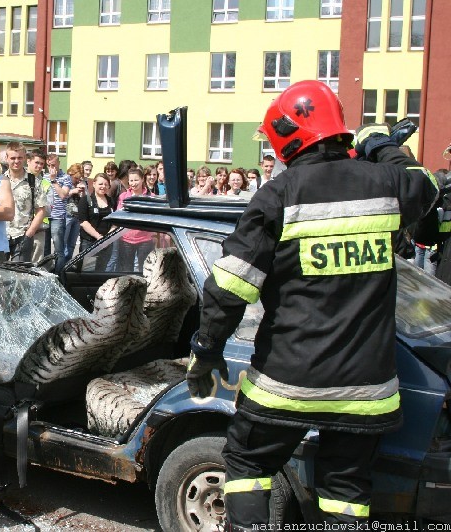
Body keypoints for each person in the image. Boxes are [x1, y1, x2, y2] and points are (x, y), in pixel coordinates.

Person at [186, 80, 438, 529]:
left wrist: (207, 350)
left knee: (247, 463)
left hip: (286, 382)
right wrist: (380, 144)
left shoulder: (279, 194)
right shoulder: (385, 183)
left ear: (288, 136)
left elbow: (229, 287)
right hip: (366, 391)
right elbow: (426, 185)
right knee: (346, 494)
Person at [6, 142, 46, 262]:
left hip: (22, 236)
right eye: (13, 158)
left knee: (19, 272)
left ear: (25, 158)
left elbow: (41, 210)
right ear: (7, 158)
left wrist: (30, 233)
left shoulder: (33, 181)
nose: (16, 161)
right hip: (0, 236)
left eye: (20, 158)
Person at [116, 168, 154, 271]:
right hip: (126, 239)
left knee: (145, 270)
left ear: (142, 179)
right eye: (131, 180)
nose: (133, 183)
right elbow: (119, 215)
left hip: (145, 239)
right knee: (126, 270)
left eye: (136, 180)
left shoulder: (151, 197)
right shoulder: (123, 196)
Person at [77, 173, 115, 270]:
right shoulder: (85, 200)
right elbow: (83, 222)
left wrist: (107, 238)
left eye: (106, 184)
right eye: (100, 184)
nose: (103, 186)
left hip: (106, 243)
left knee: (101, 270)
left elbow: (115, 222)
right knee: (88, 270)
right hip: (89, 241)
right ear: (94, 184)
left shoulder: (111, 201)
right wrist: (98, 237)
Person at [46, 155, 73, 274]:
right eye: (48, 165)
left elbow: (63, 195)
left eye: (53, 165)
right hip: (45, 216)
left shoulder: (65, 178)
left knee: (58, 250)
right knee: (45, 249)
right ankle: (46, 274)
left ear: (58, 163)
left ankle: (58, 275)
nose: (51, 168)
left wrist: (53, 180)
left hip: (58, 217)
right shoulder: (44, 176)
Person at [27, 150, 50, 261]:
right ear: (28, 161)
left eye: (42, 164)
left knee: (35, 262)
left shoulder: (45, 183)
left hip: (39, 229)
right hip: (18, 229)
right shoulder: (18, 179)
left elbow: (49, 209)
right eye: (37, 162)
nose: (39, 166)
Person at [63, 163, 85, 265]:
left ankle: (67, 265)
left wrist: (83, 193)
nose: (77, 180)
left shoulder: (81, 183)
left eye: (79, 178)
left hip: (77, 217)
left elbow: (86, 200)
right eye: (76, 178)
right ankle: (59, 266)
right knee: (63, 243)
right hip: (66, 215)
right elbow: (60, 197)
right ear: (70, 174)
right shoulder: (65, 182)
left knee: (71, 245)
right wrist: (72, 191)